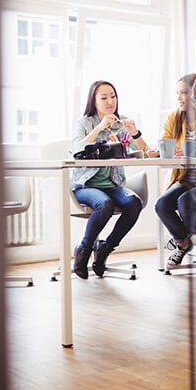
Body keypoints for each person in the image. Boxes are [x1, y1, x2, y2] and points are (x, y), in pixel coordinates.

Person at [69, 80, 148, 279]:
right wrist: (100, 127)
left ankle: (105, 247)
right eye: (103, 98)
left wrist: (135, 133)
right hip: (86, 184)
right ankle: (84, 250)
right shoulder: (84, 123)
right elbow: (76, 149)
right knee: (104, 204)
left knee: (133, 202)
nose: (109, 101)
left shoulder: (122, 123)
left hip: (113, 184)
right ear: (93, 101)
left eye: (112, 96)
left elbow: (146, 151)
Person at [152, 74, 196, 266]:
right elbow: (167, 142)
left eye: (184, 92)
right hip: (184, 179)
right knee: (161, 205)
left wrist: (188, 152)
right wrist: (160, 151)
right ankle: (183, 242)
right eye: (178, 93)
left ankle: (181, 241)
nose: (179, 97)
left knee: (185, 201)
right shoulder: (175, 118)